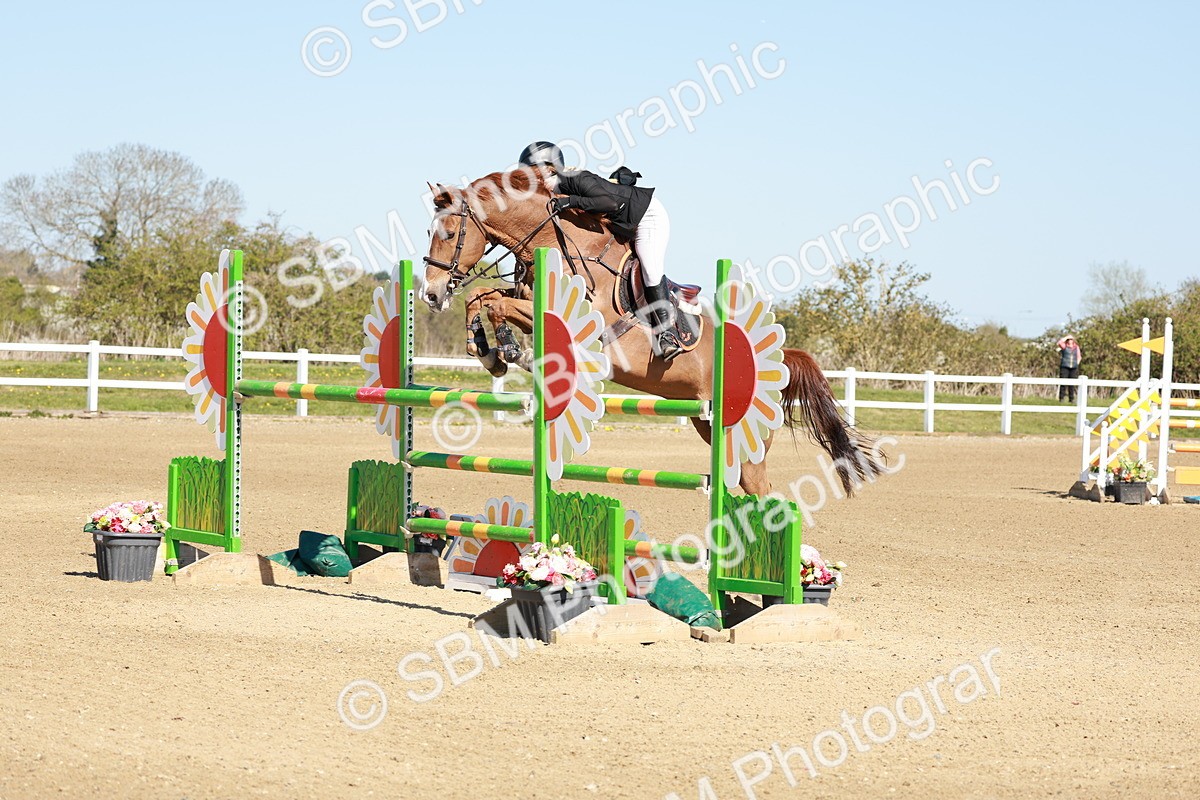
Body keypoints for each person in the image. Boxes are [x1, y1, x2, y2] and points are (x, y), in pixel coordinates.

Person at [517, 141, 681, 361]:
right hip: (623, 222)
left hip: (647, 216)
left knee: (650, 269)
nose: (529, 183)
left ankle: (667, 334)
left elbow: (609, 204)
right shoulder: (554, 192)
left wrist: (569, 202)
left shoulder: (574, 179)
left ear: (548, 169)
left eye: (531, 175)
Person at [1056, 335, 1082, 401]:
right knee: (1063, 383)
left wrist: (1076, 364)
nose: (1070, 340)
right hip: (1065, 366)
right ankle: (1061, 398)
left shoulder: (1076, 347)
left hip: (1073, 367)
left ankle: (1071, 399)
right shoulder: (1064, 346)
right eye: (1069, 339)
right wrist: (1066, 337)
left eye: (1071, 339)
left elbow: (1079, 356)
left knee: (1072, 384)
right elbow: (1059, 343)